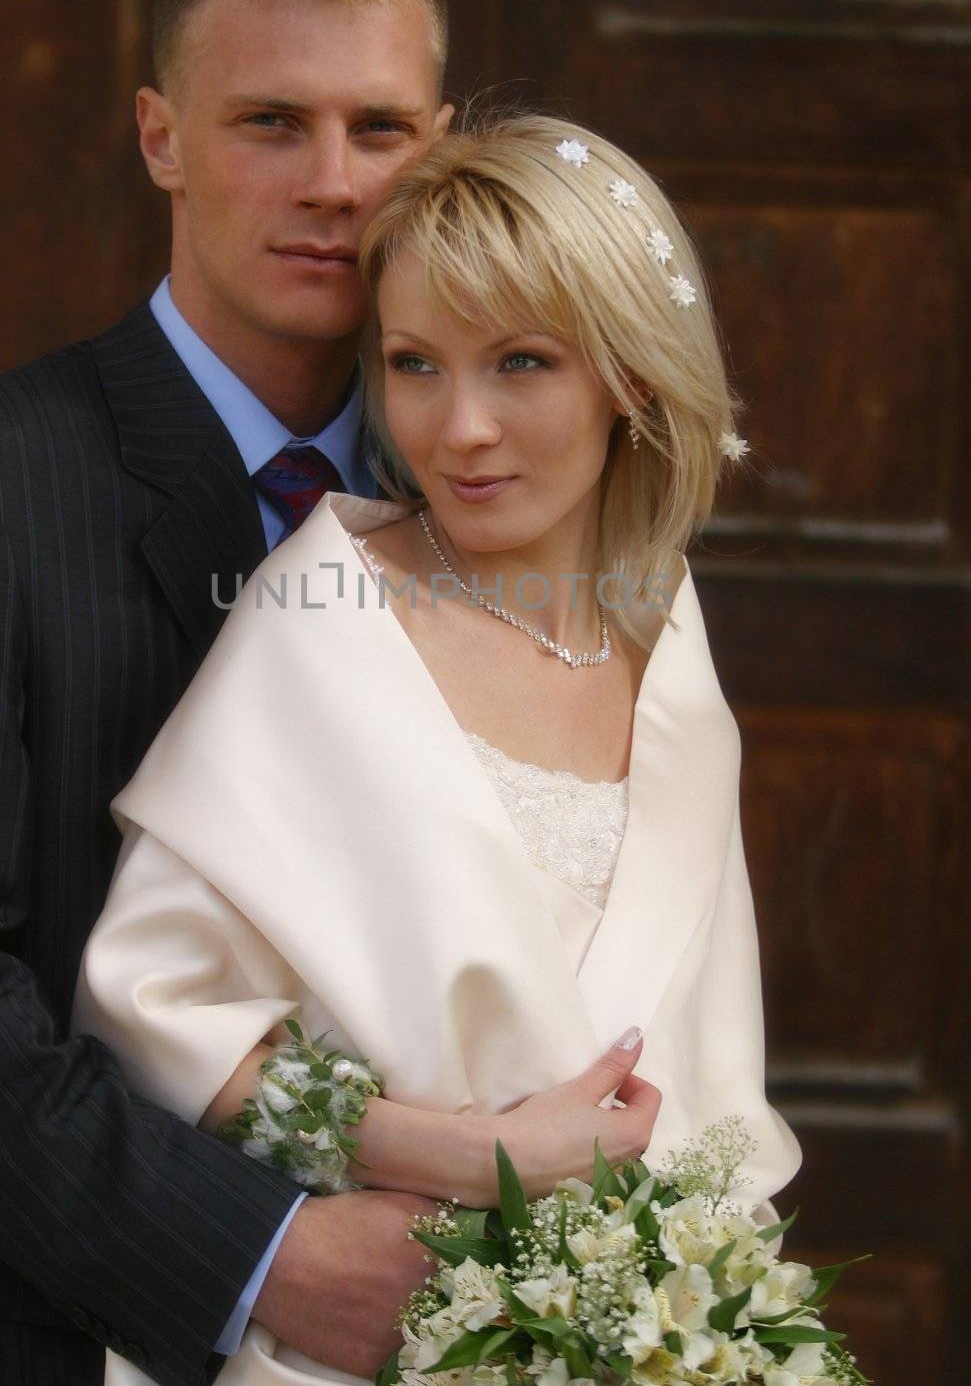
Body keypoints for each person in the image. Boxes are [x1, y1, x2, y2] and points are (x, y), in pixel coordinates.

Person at [74, 114, 802, 1386]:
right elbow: (156, 1013)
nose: (457, 429)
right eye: (413, 365)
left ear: (628, 374)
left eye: (519, 362)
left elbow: (714, 1087)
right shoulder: (322, 617)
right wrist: (455, 1153)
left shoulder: (663, 629)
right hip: (353, 1339)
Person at [0, 0, 468, 1386]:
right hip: (46, 1326)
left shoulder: (495, 512)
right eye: (270, 123)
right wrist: (256, 1254)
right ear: (160, 136)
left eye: (381, 129)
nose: (334, 183)